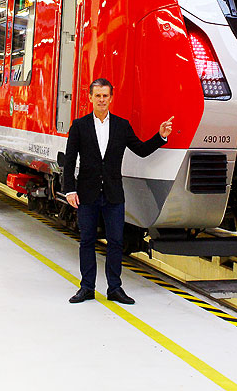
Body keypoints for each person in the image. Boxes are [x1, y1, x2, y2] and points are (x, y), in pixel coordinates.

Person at [62, 78, 173, 305]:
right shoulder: (79, 126)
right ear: (90, 98)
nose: (102, 100)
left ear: (111, 98)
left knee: (115, 242)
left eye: (105, 96)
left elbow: (141, 150)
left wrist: (160, 136)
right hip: (87, 194)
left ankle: (115, 289)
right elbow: (70, 160)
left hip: (113, 195)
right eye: (98, 95)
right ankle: (87, 288)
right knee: (87, 241)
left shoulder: (122, 126)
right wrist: (69, 190)